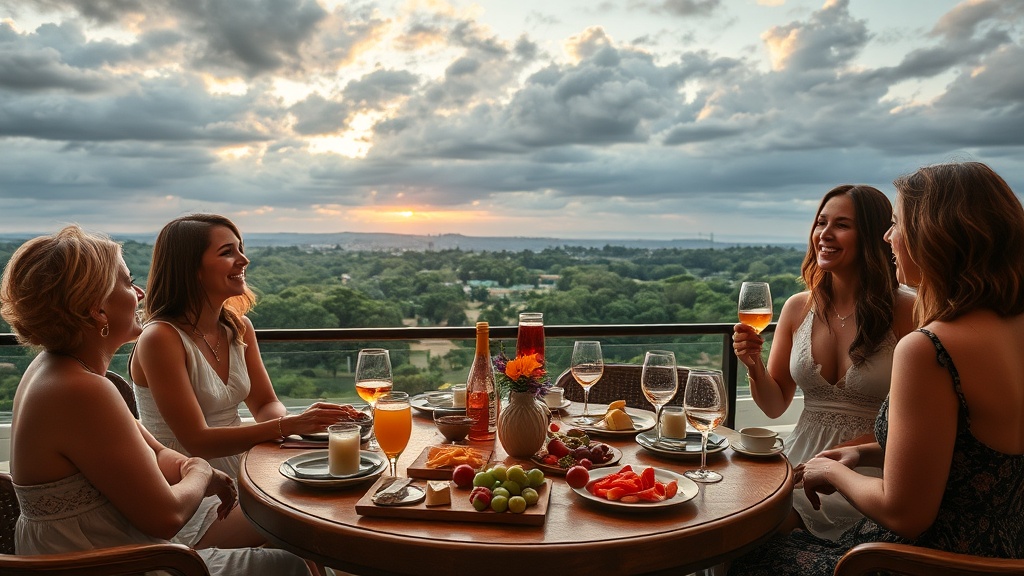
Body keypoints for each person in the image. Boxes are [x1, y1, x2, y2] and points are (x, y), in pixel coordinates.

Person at [730, 161, 1024, 574]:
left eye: (898, 224)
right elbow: (966, 449)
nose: (890, 236)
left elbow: (905, 514)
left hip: (920, 560)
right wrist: (864, 450)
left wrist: (832, 469)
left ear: (936, 235)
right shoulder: (1013, 326)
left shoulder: (929, 346)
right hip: (1001, 554)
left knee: (742, 550)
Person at [0, 226, 311, 575]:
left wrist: (187, 468)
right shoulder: (80, 389)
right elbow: (166, 517)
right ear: (97, 311)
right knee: (289, 564)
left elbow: (157, 451)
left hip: (103, 548)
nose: (140, 293)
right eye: (126, 283)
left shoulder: (59, 370)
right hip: (99, 562)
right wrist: (200, 469)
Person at [733, 184, 916, 539]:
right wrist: (753, 364)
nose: (824, 234)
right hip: (796, 464)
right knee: (731, 522)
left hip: (868, 471)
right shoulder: (797, 308)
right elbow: (773, 406)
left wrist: (842, 458)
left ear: (874, 235)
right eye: (820, 222)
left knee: (753, 532)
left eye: (842, 225)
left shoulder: (908, 310)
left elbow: (915, 422)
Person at [130, 214, 349, 477]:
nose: (244, 260)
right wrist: (289, 425)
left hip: (244, 465)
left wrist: (305, 427)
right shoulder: (161, 338)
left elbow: (266, 404)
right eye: (227, 252)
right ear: (191, 269)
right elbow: (196, 441)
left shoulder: (238, 327)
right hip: (188, 480)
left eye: (240, 249)